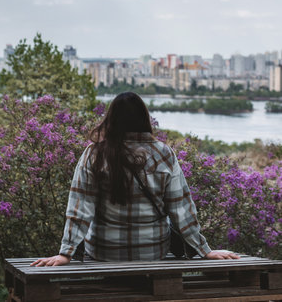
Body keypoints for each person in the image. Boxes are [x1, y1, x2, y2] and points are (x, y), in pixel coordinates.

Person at [31, 92, 239, 267]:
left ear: (111, 120)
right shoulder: (164, 154)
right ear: (144, 118)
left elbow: (80, 209)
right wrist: (204, 250)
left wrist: (65, 253)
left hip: (105, 251)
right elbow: (181, 209)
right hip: (152, 251)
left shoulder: (94, 154)